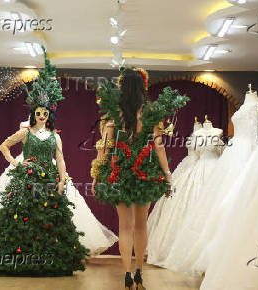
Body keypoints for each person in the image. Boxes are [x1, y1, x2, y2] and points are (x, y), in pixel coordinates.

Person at [0, 50, 88, 277]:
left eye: (45, 113)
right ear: (33, 114)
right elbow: (4, 145)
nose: (41, 116)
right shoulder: (25, 132)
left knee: (49, 219)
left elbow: (60, 158)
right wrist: (14, 162)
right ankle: (16, 260)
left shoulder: (55, 136)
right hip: (26, 179)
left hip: (50, 180)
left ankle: (50, 260)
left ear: (49, 115)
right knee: (19, 218)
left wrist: (63, 180)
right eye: (38, 112)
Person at [90, 67, 189, 289]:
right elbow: (159, 147)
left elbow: (104, 148)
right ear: (142, 87)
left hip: (119, 173)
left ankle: (126, 275)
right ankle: (138, 272)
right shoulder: (150, 114)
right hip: (146, 172)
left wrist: (96, 175)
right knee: (141, 226)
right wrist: (167, 175)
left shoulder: (113, 116)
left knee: (125, 227)